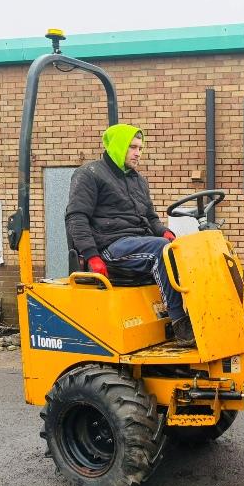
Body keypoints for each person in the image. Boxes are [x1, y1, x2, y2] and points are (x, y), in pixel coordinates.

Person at [65, 123, 195, 346]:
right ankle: (181, 325)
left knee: (183, 248)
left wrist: (166, 232)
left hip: (136, 241)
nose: (138, 153)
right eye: (133, 147)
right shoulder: (90, 174)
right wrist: (92, 255)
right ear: (118, 146)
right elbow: (76, 218)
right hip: (109, 246)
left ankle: (201, 315)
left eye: (140, 148)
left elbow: (151, 218)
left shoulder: (137, 180)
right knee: (159, 251)